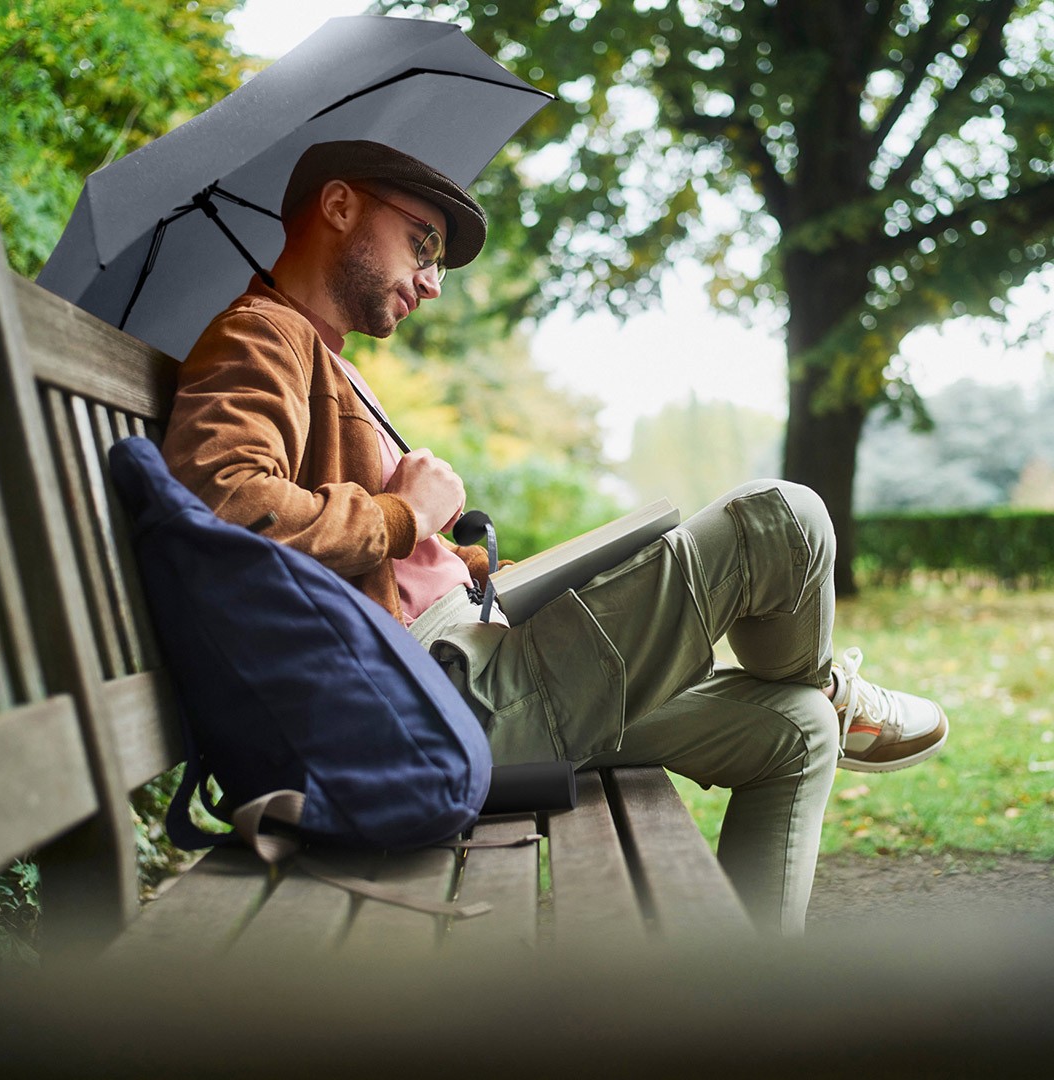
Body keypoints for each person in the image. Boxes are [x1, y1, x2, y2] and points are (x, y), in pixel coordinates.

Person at [161, 140, 948, 935]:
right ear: (338, 208)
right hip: (437, 700)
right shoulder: (263, 335)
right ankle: (835, 690)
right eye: (422, 245)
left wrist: (468, 563)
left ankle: (737, 1021)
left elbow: (381, 564)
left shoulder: (324, 358)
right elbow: (223, 508)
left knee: (791, 731)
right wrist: (407, 514)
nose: (432, 283)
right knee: (780, 520)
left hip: (474, 663)